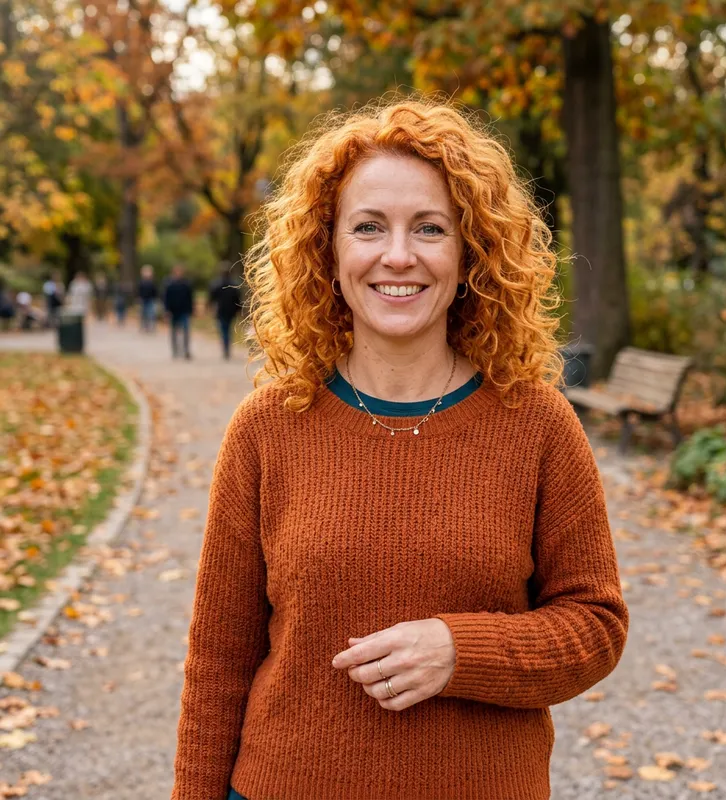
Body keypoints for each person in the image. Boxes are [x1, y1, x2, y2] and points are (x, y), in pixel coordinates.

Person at [171, 99, 628, 800]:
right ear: (327, 249)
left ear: (470, 251)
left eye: (430, 228)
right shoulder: (267, 427)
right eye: (368, 227)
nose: (398, 255)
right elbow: (217, 663)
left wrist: (459, 653)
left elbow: (595, 627)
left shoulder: (537, 424)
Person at [207, 262, 242, 359]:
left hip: (221, 311)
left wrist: (210, 307)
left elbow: (211, 298)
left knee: (224, 330)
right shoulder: (234, 285)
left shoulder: (216, 284)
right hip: (231, 311)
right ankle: (227, 348)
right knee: (228, 330)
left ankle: (226, 348)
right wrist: (239, 310)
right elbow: (238, 300)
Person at [163, 263, 194, 359]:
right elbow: (166, 298)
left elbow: (190, 298)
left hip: (184, 311)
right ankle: (175, 350)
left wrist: (191, 310)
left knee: (186, 331)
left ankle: (186, 350)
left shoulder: (186, 284)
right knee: (173, 332)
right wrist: (167, 310)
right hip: (173, 312)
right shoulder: (169, 284)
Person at [138, 264, 159, 332]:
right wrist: (139, 298)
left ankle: (152, 327)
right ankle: (144, 326)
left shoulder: (152, 282)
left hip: (151, 300)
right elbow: (139, 291)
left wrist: (156, 298)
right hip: (143, 299)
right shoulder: (141, 282)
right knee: (143, 314)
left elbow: (155, 291)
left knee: (151, 314)